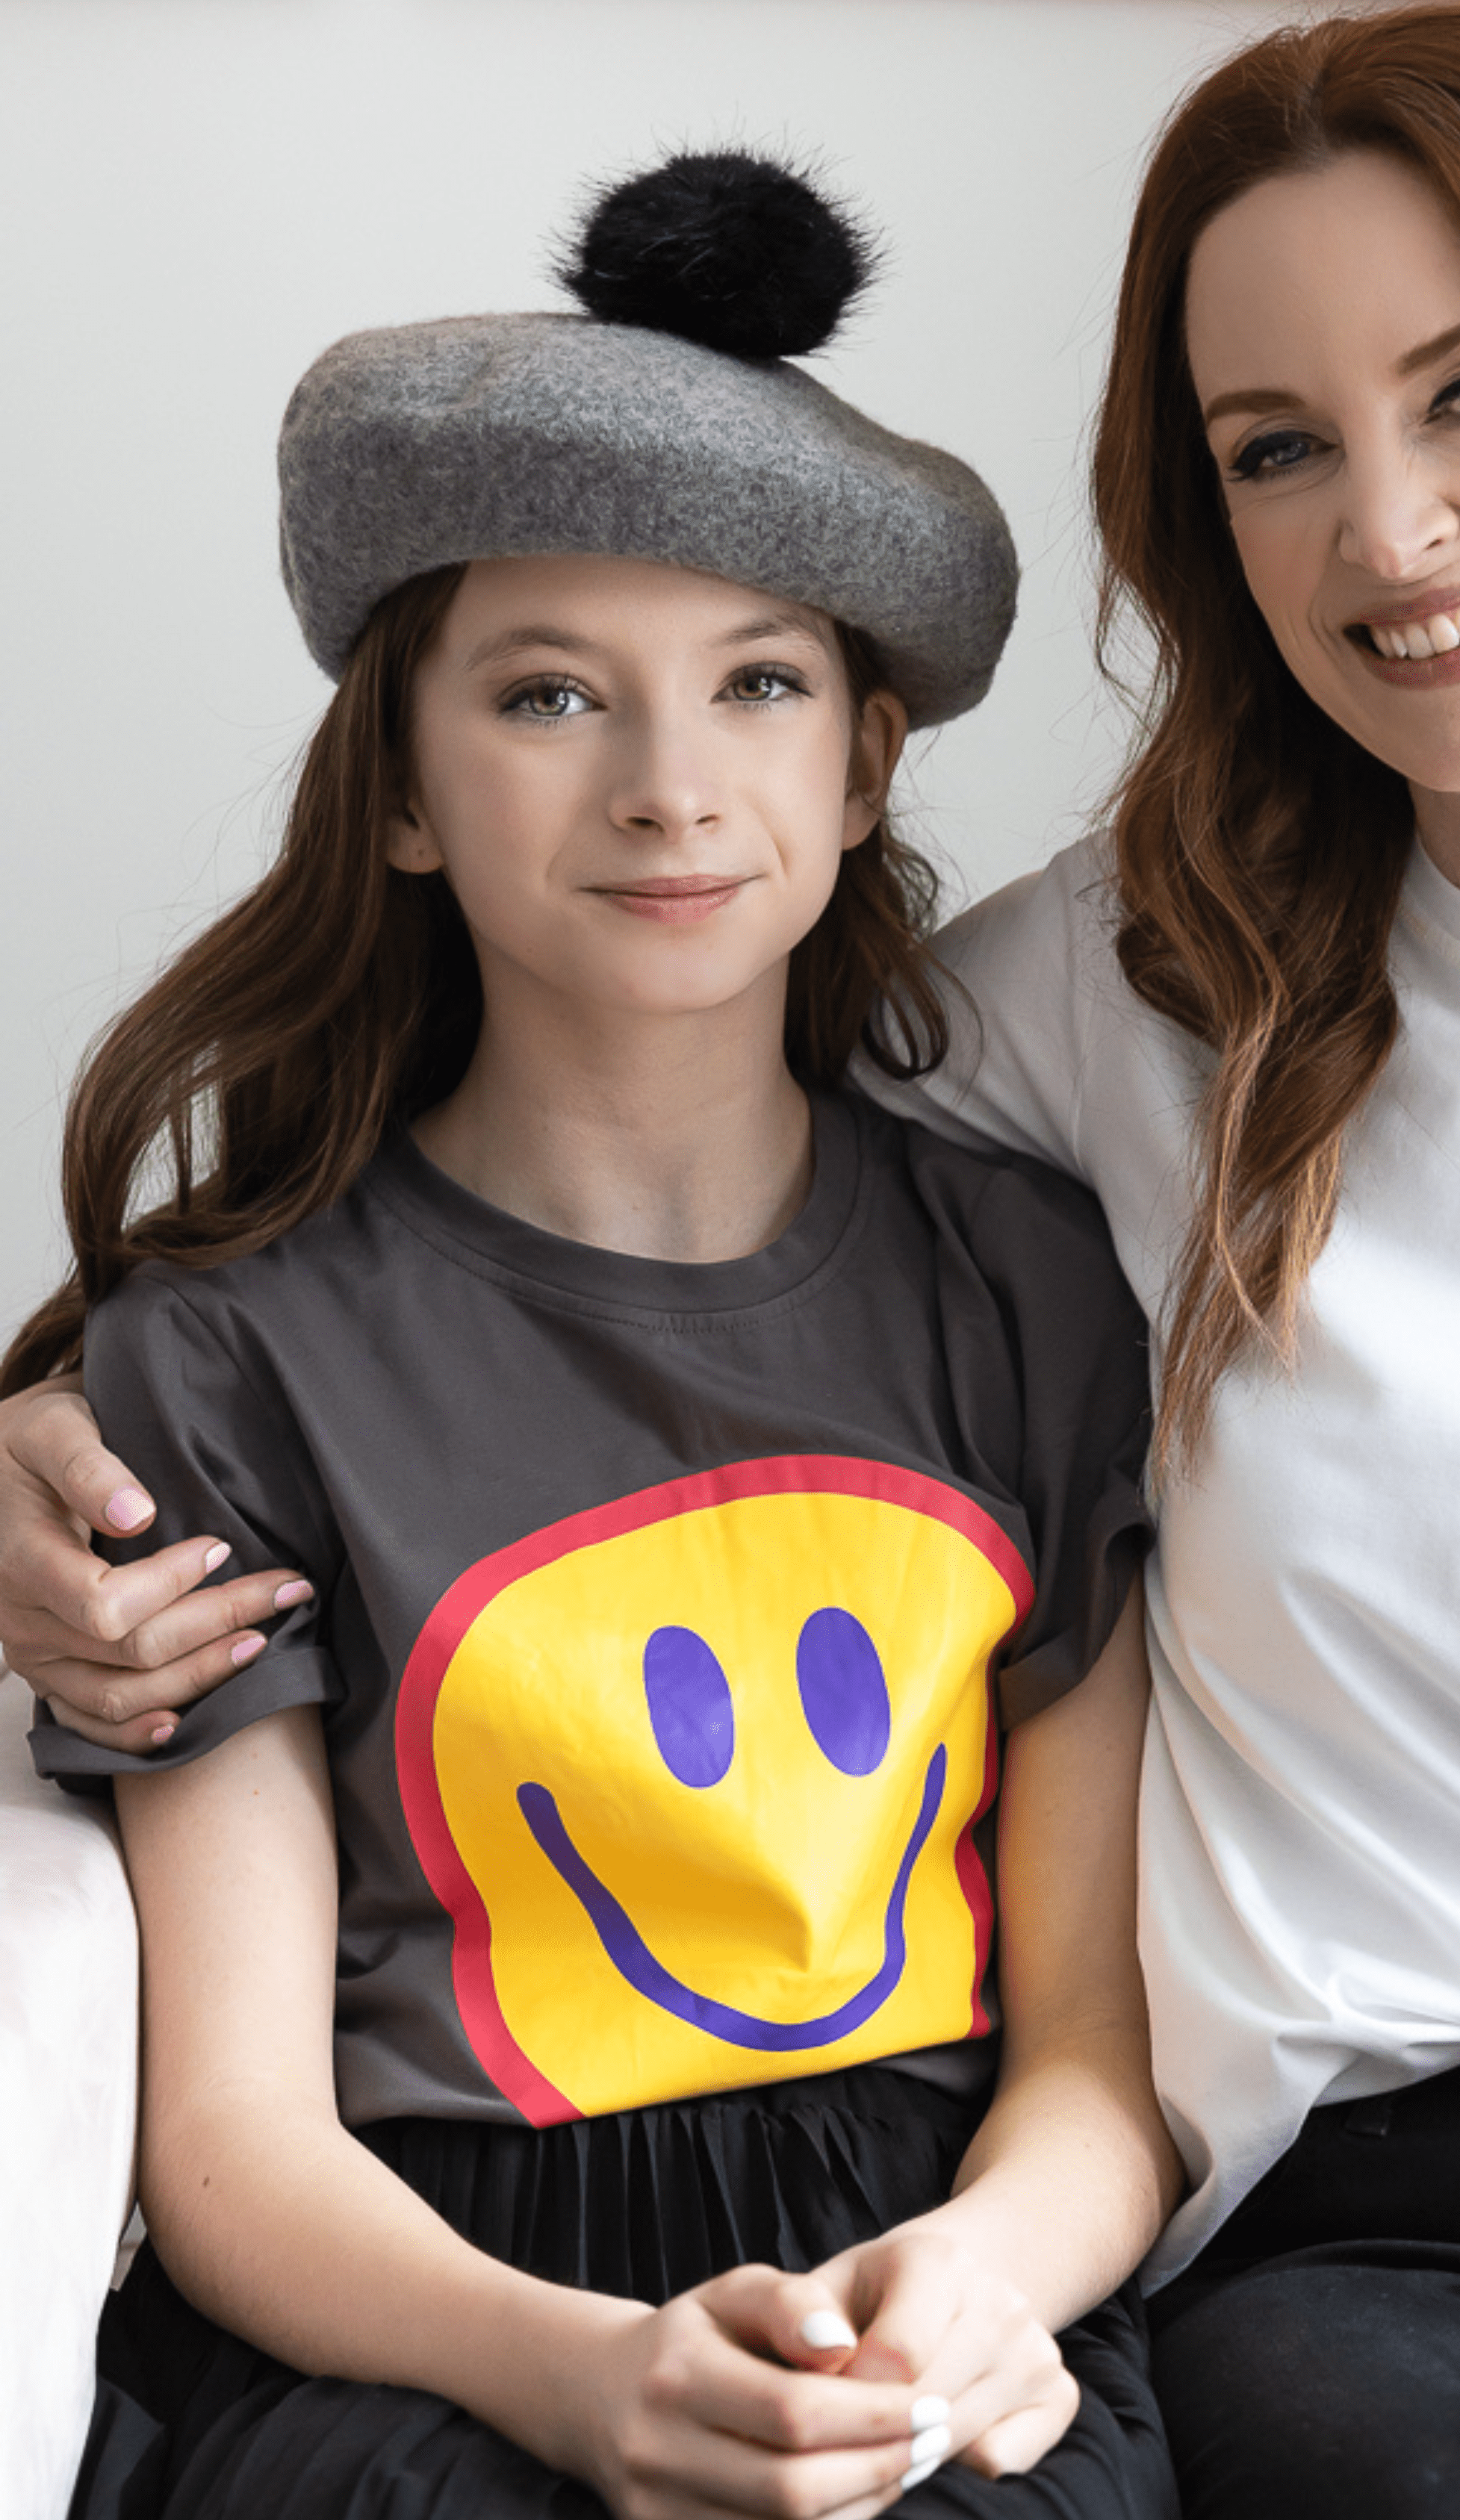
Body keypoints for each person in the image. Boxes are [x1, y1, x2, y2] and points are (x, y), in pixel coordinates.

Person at [2, 10, 1460, 2518]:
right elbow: (610, 1141)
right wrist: (45, 1452)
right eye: (1277, 451)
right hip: (1358, 2232)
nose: (1390, 531)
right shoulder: (1136, 983)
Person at [0, 153, 1178, 2520]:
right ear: (410, 786)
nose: (667, 784)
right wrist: (582, 2376)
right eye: (549, 694)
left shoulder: (1029, 1286)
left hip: (922, 2280)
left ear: (862, 765)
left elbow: (1099, 2058)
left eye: (758, 683)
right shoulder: (223, 1363)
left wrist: (980, 2286)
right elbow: (229, 2138)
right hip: (417, 2307)